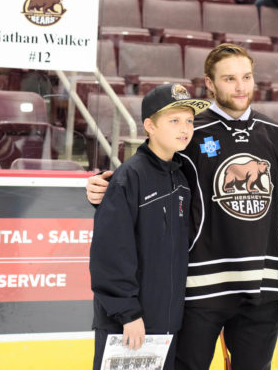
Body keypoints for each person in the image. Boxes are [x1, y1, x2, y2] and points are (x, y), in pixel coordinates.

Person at [87, 43, 278, 370]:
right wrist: (102, 187)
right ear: (210, 83)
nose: (240, 86)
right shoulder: (188, 133)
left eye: (246, 77)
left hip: (260, 291)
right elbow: (146, 177)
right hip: (198, 290)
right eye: (229, 78)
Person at [89, 83, 211, 370]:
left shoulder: (181, 180)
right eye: (174, 121)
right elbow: (110, 254)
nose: (185, 128)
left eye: (189, 121)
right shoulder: (129, 177)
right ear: (149, 126)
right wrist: (128, 314)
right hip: (128, 324)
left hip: (165, 323)